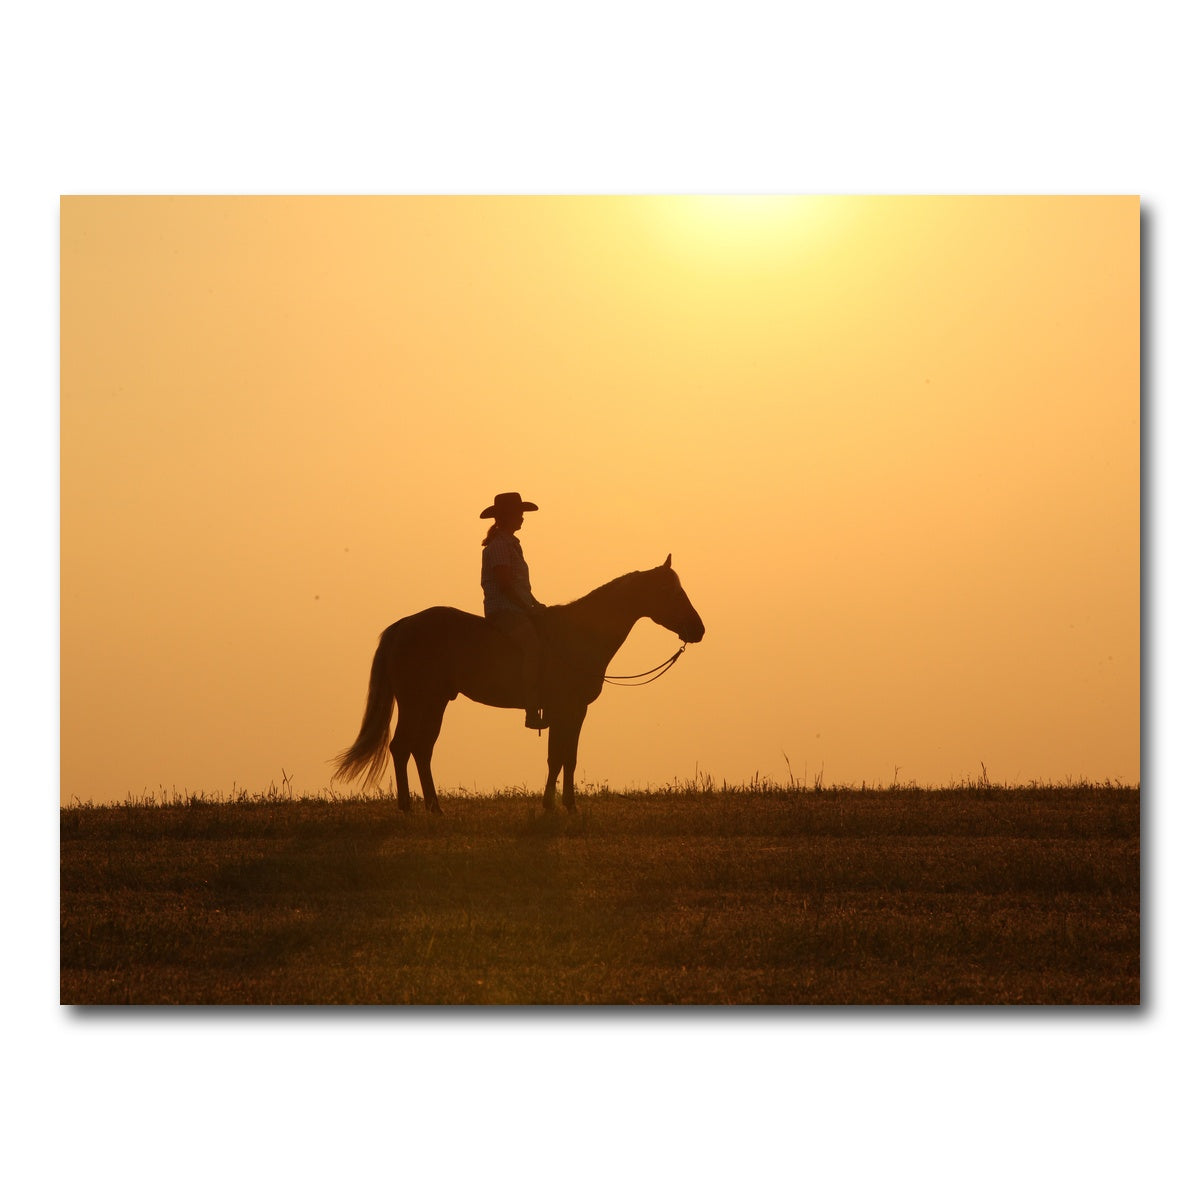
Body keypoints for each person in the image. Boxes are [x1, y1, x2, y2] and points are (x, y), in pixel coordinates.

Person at [479, 491, 548, 729]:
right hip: (504, 611)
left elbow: (518, 587)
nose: (522, 517)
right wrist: (528, 607)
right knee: (532, 646)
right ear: (508, 516)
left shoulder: (510, 544)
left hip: (517, 608)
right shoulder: (500, 546)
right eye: (518, 513)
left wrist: (535, 604)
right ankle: (531, 708)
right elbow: (506, 586)